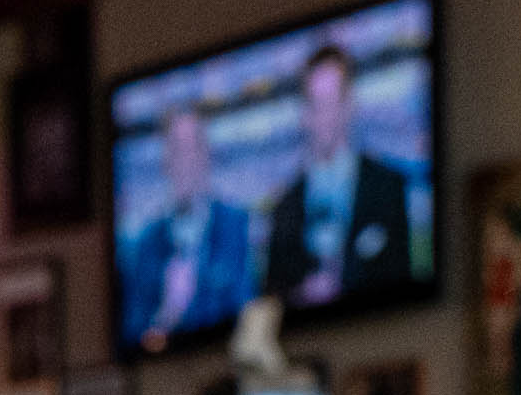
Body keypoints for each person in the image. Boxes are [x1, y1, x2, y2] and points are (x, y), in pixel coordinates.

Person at [262, 43, 413, 306]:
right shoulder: (284, 207)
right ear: (305, 114)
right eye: (316, 105)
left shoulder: (388, 186)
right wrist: (302, 296)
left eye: (332, 103)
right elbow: (270, 301)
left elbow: (402, 283)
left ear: (349, 105)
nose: (325, 117)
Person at [122, 107, 254, 349]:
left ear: (206, 155)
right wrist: (167, 314)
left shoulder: (235, 224)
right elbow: (133, 337)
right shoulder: (147, 243)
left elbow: (247, 314)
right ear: (165, 161)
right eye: (176, 151)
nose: (184, 162)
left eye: (191, 149)